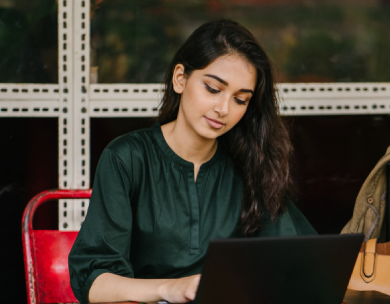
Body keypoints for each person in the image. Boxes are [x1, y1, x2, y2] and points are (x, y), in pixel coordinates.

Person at [68, 19, 316, 304]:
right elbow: (94, 282)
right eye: (213, 89)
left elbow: (295, 262)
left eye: (240, 99)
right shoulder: (127, 158)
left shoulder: (248, 164)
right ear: (180, 79)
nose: (223, 109)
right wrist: (169, 289)